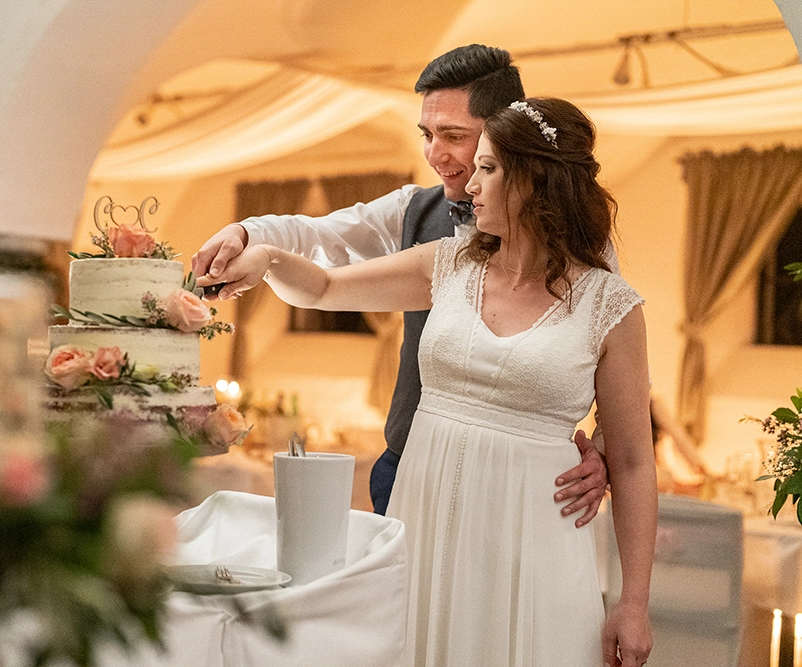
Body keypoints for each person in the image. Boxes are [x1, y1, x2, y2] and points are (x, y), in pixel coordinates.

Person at [199, 97, 656, 666]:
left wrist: (633, 602)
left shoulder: (610, 305)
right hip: (427, 515)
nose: (470, 185)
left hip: (535, 537)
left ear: (535, 183)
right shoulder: (447, 263)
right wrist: (266, 258)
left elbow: (635, 462)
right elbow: (322, 289)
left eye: (489, 168)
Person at [192, 45, 609, 522]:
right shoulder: (415, 213)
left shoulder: (582, 248)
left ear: (505, 134)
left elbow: (615, 353)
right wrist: (247, 233)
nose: (435, 153)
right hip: (408, 466)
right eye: (427, 134)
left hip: (519, 485)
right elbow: (318, 241)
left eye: (453, 135)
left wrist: (604, 450)